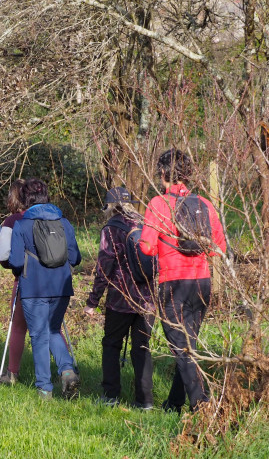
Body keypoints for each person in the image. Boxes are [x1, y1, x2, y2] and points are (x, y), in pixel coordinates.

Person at [140, 149, 226, 413]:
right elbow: (217, 247)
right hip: (202, 282)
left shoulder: (158, 203)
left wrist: (162, 247)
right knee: (187, 346)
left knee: (182, 348)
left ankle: (202, 407)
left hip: (173, 283)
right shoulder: (204, 204)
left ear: (163, 173)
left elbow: (146, 246)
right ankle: (174, 403)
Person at [8, 178, 81, 399]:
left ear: (25, 198)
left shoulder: (21, 225)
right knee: (53, 330)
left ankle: (44, 388)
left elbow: (16, 262)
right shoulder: (64, 223)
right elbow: (76, 257)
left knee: (39, 335)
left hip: (34, 288)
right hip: (61, 287)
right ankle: (67, 371)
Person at [84, 187, 155, 409]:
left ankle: (111, 396)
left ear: (110, 207)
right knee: (142, 347)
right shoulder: (146, 224)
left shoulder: (112, 229)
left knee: (111, 344)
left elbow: (104, 268)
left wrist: (92, 302)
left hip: (121, 299)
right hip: (147, 299)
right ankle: (145, 401)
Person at [0, 180, 28, 385]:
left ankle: (12, 373)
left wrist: (12, 265)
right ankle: (66, 370)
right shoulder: (49, 217)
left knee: (17, 327)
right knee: (52, 328)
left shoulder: (12, 221)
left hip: (24, 279)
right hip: (53, 281)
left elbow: (2, 254)